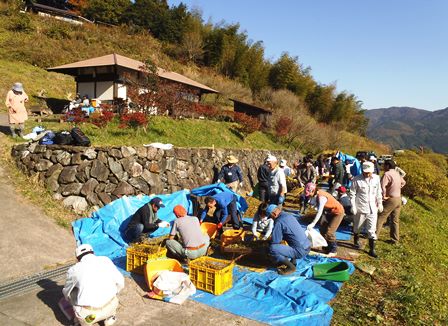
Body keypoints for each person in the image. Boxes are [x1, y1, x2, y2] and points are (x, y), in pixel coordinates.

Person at [63, 244, 124, 326]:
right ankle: (109, 318)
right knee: (111, 287)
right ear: (92, 252)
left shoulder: (74, 270)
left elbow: (66, 292)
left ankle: (79, 322)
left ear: (77, 258)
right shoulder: (105, 260)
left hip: (89, 315)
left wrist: (69, 299)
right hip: (111, 306)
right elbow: (121, 282)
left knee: (72, 292)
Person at [349, 161, 383, 258]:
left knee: (371, 230)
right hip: (360, 208)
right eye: (365, 172)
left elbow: (378, 192)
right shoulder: (356, 180)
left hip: (373, 209)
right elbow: (352, 194)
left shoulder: (376, 178)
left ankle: (372, 249)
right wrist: (353, 206)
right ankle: (356, 239)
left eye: (369, 172)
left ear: (372, 171)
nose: (367, 174)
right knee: (357, 227)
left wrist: (380, 203)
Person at [268, 205, 311, 275]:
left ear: (274, 214)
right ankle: (293, 262)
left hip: (300, 251)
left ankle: (291, 267)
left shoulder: (279, 222)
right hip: (307, 246)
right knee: (290, 239)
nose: (272, 219)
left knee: (272, 248)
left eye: (271, 217)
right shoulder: (288, 215)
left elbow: (275, 241)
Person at [305, 183, 345, 256]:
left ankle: (333, 250)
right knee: (322, 229)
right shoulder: (315, 195)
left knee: (329, 231)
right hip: (329, 212)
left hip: (338, 212)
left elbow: (320, 212)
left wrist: (313, 223)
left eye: (309, 193)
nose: (309, 195)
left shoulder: (322, 197)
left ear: (313, 191)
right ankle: (326, 247)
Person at [376, 160, 406, 244]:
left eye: (384, 165)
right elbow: (404, 182)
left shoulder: (387, 174)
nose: (383, 167)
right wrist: (397, 187)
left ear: (388, 166)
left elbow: (382, 186)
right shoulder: (397, 173)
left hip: (391, 199)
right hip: (398, 198)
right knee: (395, 220)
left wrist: (383, 196)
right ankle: (395, 240)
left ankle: (374, 236)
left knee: (381, 217)